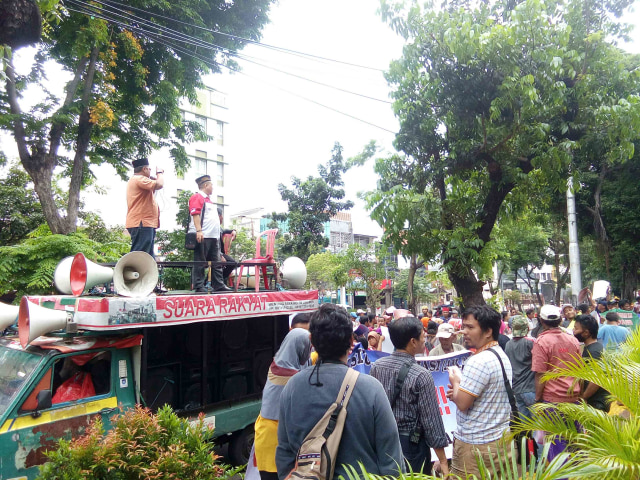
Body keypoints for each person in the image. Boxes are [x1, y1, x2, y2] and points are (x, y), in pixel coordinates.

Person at [276, 304, 403, 479]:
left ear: (311, 341)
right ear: (352, 341)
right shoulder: (372, 389)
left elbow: (284, 452)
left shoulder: (292, 387)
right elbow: (392, 460)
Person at [370, 316, 449, 476]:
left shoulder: (377, 367)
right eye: (422, 336)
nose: (425, 339)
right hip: (411, 447)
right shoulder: (421, 375)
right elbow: (431, 420)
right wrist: (443, 460)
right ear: (413, 341)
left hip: (382, 443)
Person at [446, 305, 513, 478]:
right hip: (499, 440)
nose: (464, 332)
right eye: (463, 326)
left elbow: (462, 403)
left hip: (475, 446)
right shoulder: (500, 354)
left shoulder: (478, 361)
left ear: (488, 331)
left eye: (470, 327)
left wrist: (455, 381)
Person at [255, 328, 311, 480]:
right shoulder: (284, 371)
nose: (308, 351)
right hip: (272, 437)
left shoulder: (285, 361)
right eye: (307, 346)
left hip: (282, 435)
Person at [532, 304, 581, 460]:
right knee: (575, 442)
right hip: (574, 397)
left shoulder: (542, 342)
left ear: (541, 320)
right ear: (560, 319)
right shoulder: (572, 340)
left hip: (552, 399)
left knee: (556, 444)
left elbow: (540, 374)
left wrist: (538, 399)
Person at [188, 175, 230, 293]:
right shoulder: (197, 196)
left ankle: (218, 284)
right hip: (204, 235)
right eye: (211, 185)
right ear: (205, 185)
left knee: (216, 263)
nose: (212, 188)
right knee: (200, 261)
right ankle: (198, 285)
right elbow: (195, 213)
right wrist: (199, 230)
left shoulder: (208, 200)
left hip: (213, 236)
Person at [125, 157, 164, 257]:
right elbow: (159, 184)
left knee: (148, 256)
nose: (150, 171)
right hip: (142, 223)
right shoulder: (140, 179)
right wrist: (159, 173)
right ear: (144, 169)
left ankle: (148, 272)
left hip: (144, 223)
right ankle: (131, 271)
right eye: (149, 168)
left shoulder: (137, 180)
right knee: (140, 254)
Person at [573, 314, 610, 412]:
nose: (573, 331)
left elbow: (597, 378)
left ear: (586, 333)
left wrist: (584, 397)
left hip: (597, 402)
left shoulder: (594, 351)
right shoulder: (592, 347)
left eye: (576, 328)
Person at [504, 315, 536, 420]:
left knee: (525, 425)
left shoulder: (508, 344)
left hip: (517, 389)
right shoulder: (530, 342)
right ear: (526, 328)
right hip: (531, 388)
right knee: (538, 425)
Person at [217, 207, 237, 283]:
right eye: (221, 216)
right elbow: (213, 244)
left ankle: (219, 281)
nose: (222, 218)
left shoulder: (220, 228)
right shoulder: (211, 228)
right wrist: (220, 255)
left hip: (219, 253)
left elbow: (227, 230)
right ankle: (218, 281)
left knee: (232, 263)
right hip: (212, 253)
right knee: (230, 263)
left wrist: (233, 231)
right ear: (219, 216)